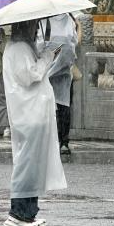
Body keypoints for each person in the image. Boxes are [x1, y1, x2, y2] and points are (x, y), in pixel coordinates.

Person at [1, 19, 67, 226]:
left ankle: (28, 212)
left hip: (32, 114)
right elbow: (30, 75)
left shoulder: (22, 47)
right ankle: (18, 213)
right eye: (32, 25)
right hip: (29, 115)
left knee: (32, 165)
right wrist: (48, 56)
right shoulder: (18, 48)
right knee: (27, 165)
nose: (35, 29)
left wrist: (44, 54)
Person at [42, 14, 79, 155]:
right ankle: (64, 141)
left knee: (50, 108)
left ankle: (53, 140)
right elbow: (74, 42)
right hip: (65, 72)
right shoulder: (69, 19)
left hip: (48, 71)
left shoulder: (45, 21)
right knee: (65, 106)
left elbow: (40, 44)